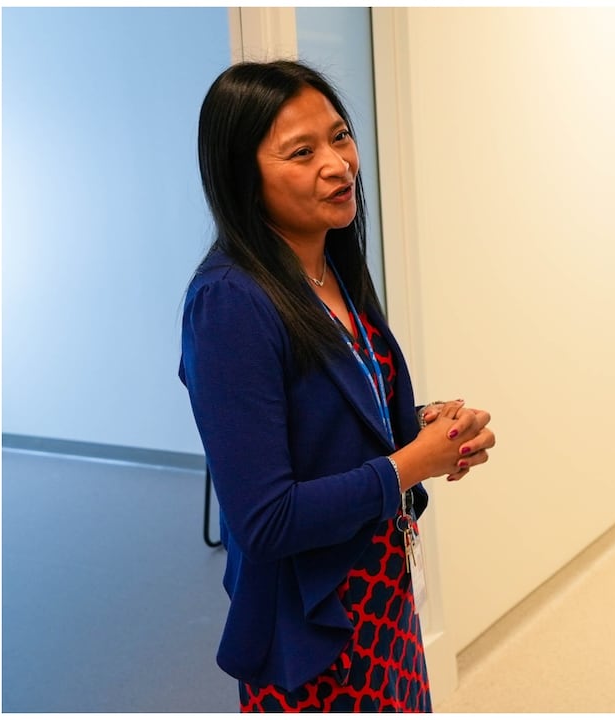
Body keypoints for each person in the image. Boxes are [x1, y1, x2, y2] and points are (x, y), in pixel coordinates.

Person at [179, 59, 495, 712]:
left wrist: (426, 426)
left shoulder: (326, 267)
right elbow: (267, 519)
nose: (339, 163)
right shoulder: (229, 304)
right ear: (245, 178)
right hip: (314, 625)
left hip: (382, 591)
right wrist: (410, 463)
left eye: (340, 135)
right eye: (302, 151)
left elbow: (329, 422)